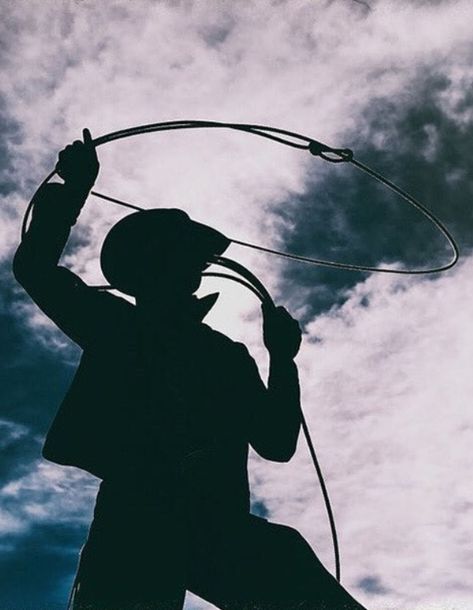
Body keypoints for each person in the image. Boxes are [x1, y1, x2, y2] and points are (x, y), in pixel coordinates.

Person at [13, 130, 367, 610]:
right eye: (186, 256)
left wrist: (282, 360)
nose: (198, 266)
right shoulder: (119, 324)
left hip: (210, 522)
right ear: (155, 266)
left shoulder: (225, 354)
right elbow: (35, 268)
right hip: (138, 516)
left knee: (285, 560)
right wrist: (75, 191)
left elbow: (277, 443)